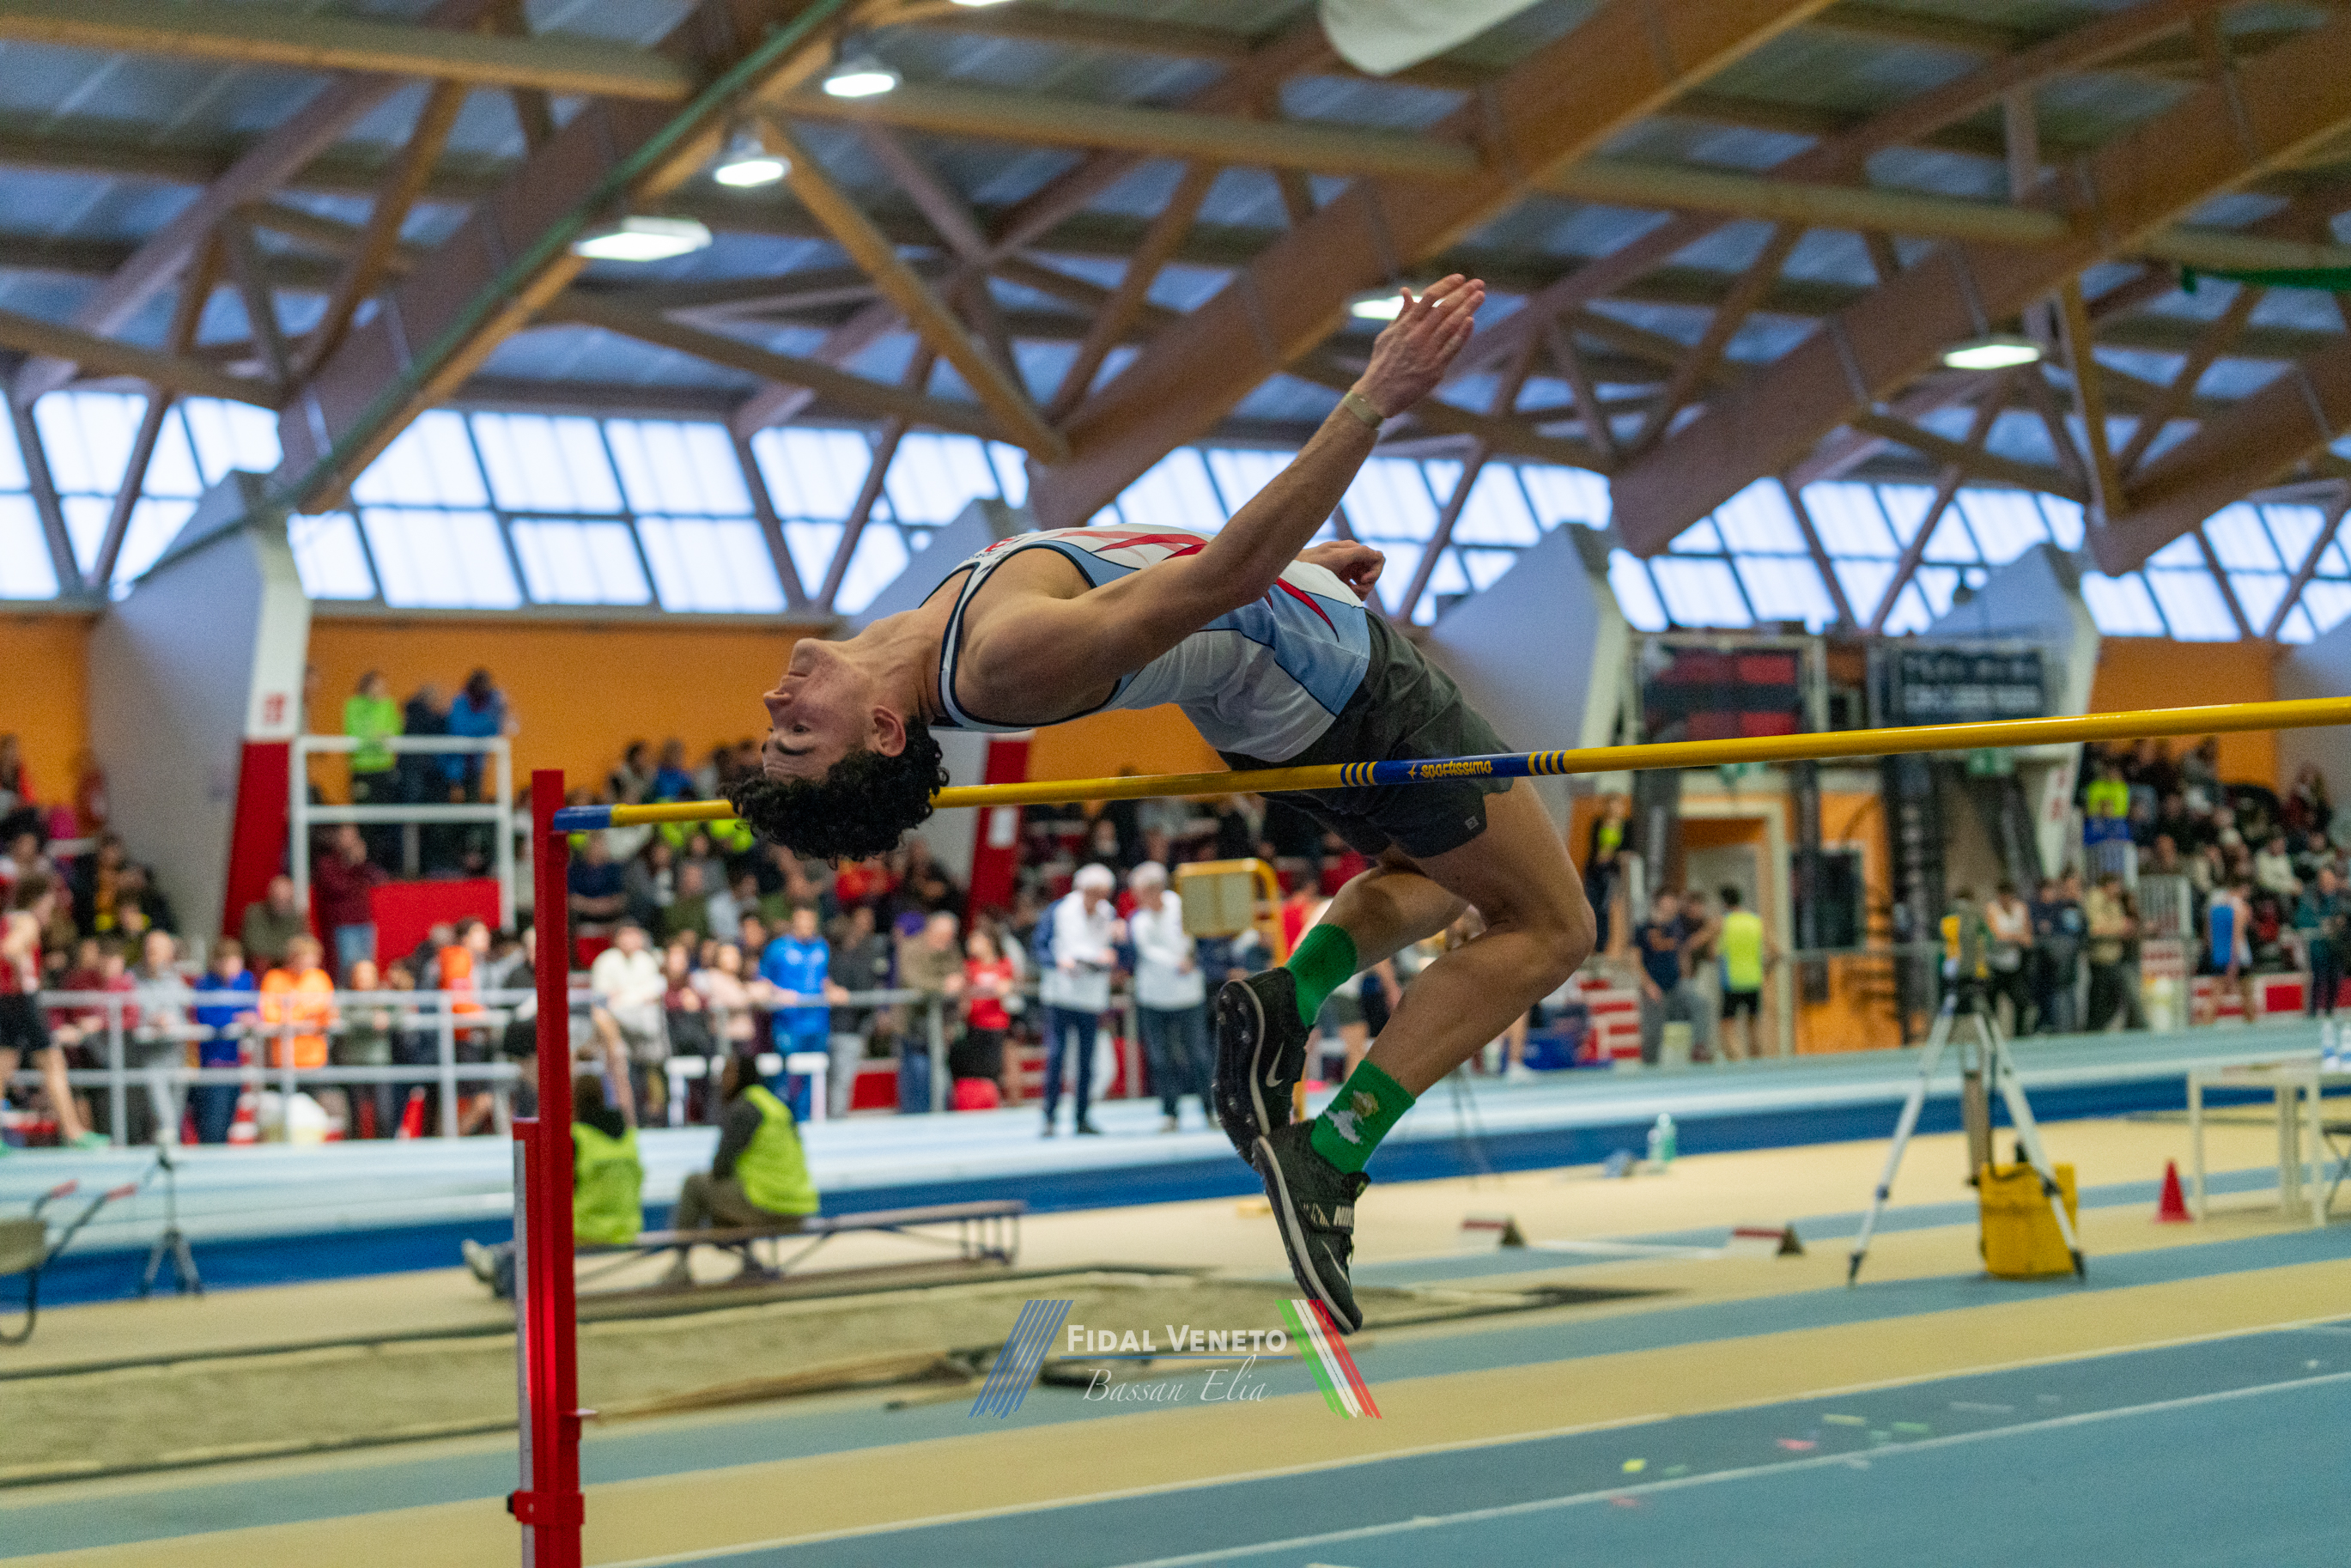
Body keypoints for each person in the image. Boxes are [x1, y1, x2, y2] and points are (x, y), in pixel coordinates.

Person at [720, 277, 1589, 1329]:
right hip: (1341, 687)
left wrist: (1298, 572)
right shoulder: (1001, 659)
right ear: (883, 732)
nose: (775, 702)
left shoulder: (932, 630)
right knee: (1550, 926)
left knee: (1434, 876)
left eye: (777, 727)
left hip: (1284, 691)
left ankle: (1287, 995)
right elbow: (1218, 579)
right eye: (796, 734)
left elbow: (1158, 583)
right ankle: (1333, 1151)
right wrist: (1375, 397)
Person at [465, 1075, 641, 1298]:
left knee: (538, 1223)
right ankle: (499, 1261)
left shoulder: (576, 1139)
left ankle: (499, 1264)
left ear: (574, 1101)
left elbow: (554, 1191)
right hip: (627, 1227)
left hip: (585, 1228)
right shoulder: (629, 1137)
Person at [662, 1054, 818, 1286]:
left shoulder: (745, 1108)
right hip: (798, 1204)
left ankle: (680, 1265)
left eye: (726, 1073)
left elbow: (721, 1167)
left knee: (695, 1185)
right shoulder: (774, 1105)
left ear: (740, 1076)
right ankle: (750, 1263)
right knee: (725, 1201)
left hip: (767, 1202)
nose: (721, 1080)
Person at [0, 876, 104, 1149]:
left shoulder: (8, 918)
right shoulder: (27, 921)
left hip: (6, 1000)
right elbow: (9, 949)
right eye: (48, 905)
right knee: (53, 1062)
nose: (50, 912)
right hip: (22, 1000)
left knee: (3, 1064)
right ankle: (73, 1132)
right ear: (36, 901)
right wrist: (23, 972)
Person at [1038, 864, 1122, 1138]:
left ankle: (1082, 1116)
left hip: (1091, 996)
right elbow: (1039, 947)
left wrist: (1117, 946)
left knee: (1087, 1060)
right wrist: (1057, 962)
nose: (1097, 900)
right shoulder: (1059, 910)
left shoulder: (1108, 914)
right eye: (1093, 893)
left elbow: (1119, 951)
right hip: (1061, 993)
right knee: (1056, 1055)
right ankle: (1049, 1116)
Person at [1126, 862, 1211, 1132]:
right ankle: (1170, 1112)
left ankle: (1210, 1109)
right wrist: (1178, 962)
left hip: (1188, 996)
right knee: (1160, 1059)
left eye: (1140, 892)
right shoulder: (1138, 920)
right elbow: (1145, 952)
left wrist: (1193, 959)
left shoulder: (1184, 908)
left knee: (1198, 1055)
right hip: (1153, 998)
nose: (1137, 897)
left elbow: (1202, 941)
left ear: (1155, 889)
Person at [758, 906, 841, 1116]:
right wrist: (780, 994)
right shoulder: (777, 948)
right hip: (788, 1023)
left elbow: (823, 978)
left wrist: (833, 990)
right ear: (793, 922)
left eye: (810, 922)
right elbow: (763, 981)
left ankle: (806, 1119)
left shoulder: (821, 946)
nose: (806, 926)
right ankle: (782, 1118)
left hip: (818, 1022)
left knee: (812, 1075)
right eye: (802, 921)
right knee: (785, 1075)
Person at [589, 922, 665, 1121]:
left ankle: (655, 1115)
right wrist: (633, 998)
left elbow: (653, 996)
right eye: (626, 935)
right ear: (617, 938)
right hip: (615, 1027)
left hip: (644, 1028)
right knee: (618, 1064)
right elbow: (602, 1002)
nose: (630, 940)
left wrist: (624, 997)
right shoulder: (606, 961)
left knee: (656, 1056)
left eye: (634, 935)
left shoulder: (646, 961)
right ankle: (625, 1117)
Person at [895, 910, 964, 1115]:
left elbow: (957, 976)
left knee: (940, 1080)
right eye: (942, 936)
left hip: (940, 1025)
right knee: (916, 1079)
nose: (946, 940)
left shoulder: (951, 949)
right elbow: (913, 980)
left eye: (949, 937)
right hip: (912, 1026)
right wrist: (942, 986)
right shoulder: (910, 947)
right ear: (930, 930)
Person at [127, 929, 192, 1146]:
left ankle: (168, 1149)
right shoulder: (131, 978)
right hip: (146, 1054)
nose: (151, 955)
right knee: (162, 1114)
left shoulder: (176, 981)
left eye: (157, 950)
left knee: (174, 1110)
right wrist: (150, 1020)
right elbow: (128, 1014)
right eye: (149, 950)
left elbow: (186, 1013)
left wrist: (171, 1021)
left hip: (175, 1052)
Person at [190, 938, 257, 1144]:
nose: (231, 966)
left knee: (228, 1119)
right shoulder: (205, 984)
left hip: (235, 1062)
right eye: (226, 961)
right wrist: (235, 1017)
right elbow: (204, 1016)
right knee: (212, 1124)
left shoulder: (245, 981)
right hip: (212, 1063)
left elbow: (254, 1010)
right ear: (216, 962)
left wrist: (251, 1017)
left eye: (235, 960)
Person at [313, 824, 388, 981]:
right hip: (342, 924)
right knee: (348, 968)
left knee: (367, 968)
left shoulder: (359, 864)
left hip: (364, 921)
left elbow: (379, 879)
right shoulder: (327, 862)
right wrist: (354, 869)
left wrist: (361, 862)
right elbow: (337, 887)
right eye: (346, 836)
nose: (351, 841)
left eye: (353, 836)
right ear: (337, 838)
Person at [343, 671, 403, 866]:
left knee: (384, 820)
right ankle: (362, 864)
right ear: (367, 686)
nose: (381, 690)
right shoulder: (354, 705)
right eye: (378, 685)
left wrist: (378, 739)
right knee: (364, 821)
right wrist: (376, 739)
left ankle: (380, 865)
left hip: (384, 769)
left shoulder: (388, 705)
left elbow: (395, 732)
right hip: (362, 769)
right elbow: (355, 734)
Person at [1632, 890, 1697, 1067]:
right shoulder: (1643, 929)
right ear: (1659, 904)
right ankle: (1650, 1068)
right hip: (1654, 987)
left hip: (1675, 985)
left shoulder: (1677, 928)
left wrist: (1686, 977)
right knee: (1653, 1033)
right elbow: (1636, 961)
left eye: (1673, 903)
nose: (1672, 907)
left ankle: (1698, 1052)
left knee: (1699, 1006)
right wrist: (1648, 985)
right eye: (1668, 902)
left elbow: (1683, 954)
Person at [954, 927, 1017, 1109]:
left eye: (976, 940)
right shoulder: (969, 966)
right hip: (974, 1025)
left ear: (988, 942)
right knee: (975, 1072)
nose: (971, 945)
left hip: (996, 1026)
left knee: (993, 1072)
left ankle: (992, 1104)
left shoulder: (1004, 964)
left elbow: (1008, 988)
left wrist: (1006, 988)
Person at [259, 934, 337, 1075]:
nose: (308, 962)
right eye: (303, 957)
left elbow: (327, 1014)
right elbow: (269, 1015)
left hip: (315, 1058)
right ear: (292, 957)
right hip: (283, 1059)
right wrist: (303, 1017)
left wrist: (293, 1011)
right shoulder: (274, 978)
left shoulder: (320, 978)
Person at [1715, 885, 1773, 1063]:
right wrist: (1766, 972)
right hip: (1753, 980)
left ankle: (1737, 1059)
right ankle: (1758, 1062)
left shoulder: (1722, 923)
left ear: (1724, 903)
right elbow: (1776, 952)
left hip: (1732, 981)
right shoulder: (1756, 921)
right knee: (1753, 1025)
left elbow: (1711, 951)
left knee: (1727, 1025)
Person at [2084, 874, 2144, 1032]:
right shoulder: (2096, 898)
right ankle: (2094, 1032)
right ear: (2108, 885)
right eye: (2115, 886)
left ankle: (2102, 1030)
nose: (2118, 890)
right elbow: (2096, 928)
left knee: (2113, 1000)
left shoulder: (2114, 902)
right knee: (2099, 1000)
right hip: (2101, 958)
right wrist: (2119, 927)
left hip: (2114, 957)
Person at [2294, 866, 2345, 1046]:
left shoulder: (2340, 898)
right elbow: (2301, 920)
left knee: (2335, 979)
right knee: (2318, 979)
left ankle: (2330, 1012)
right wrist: (2322, 925)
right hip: (2317, 946)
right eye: (2325, 879)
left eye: (2331, 879)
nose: (2328, 882)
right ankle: (2312, 1014)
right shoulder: (2310, 898)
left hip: (2337, 947)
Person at [2029, 876, 2084, 1036]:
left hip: (2064, 965)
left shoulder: (2066, 908)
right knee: (2046, 1000)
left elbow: (2074, 932)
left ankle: (2066, 1028)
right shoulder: (2035, 908)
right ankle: (2047, 1027)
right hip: (2043, 966)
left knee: (2066, 996)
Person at [1983, 880, 2035, 1036]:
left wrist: (2013, 938)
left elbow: (2028, 938)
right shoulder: (1992, 908)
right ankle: (1991, 1037)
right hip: (1995, 964)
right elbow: (1996, 935)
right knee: (1991, 1005)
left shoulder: (2021, 908)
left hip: (2013, 965)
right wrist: (2016, 937)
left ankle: (2019, 1035)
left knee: (2021, 1002)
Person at [240, 874, 307, 973]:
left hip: (289, 967)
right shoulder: (255, 913)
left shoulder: (297, 918)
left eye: (285, 896)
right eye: (277, 895)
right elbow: (253, 945)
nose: (281, 898)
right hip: (261, 967)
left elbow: (302, 945)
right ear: (270, 894)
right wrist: (283, 954)